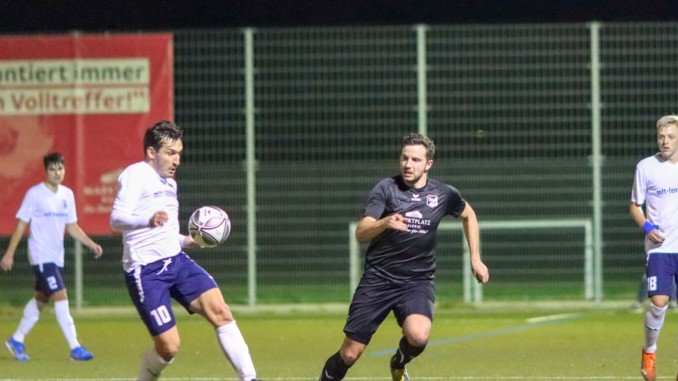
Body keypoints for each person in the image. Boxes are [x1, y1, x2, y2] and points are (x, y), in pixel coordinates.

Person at [318, 133, 490, 381]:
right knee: (350, 354)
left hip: (417, 282)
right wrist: (385, 222)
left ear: (428, 164)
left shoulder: (443, 194)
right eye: (404, 158)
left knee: (419, 336)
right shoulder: (386, 189)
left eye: (416, 160)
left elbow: (469, 215)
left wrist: (476, 258)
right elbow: (361, 233)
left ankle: (399, 361)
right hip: (378, 280)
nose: (408, 165)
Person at [109, 120, 260, 381]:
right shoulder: (135, 175)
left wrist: (186, 241)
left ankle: (250, 378)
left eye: (179, 152)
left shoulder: (170, 184)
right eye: (170, 152)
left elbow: (166, 234)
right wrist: (146, 220)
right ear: (151, 152)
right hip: (146, 271)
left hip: (176, 262)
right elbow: (116, 219)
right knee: (169, 347)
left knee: (221, 312)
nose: (176, 159)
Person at [1, 152, 103, 361]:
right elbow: (21, 224)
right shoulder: (35, 194)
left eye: (60, 169)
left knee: (41, 299)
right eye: (52, 169)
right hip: (40, 255)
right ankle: (75, 347)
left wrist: (90, 243)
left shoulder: (67, 195)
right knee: (61, 296)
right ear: (45, 171)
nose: (57, 173)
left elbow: (71, 226)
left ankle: (16, 340)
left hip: (56, 257)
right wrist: (9, 254)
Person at [632, 115, 678, 381]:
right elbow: (634, 206)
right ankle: (649, 351)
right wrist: (647, 227)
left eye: (671, 136)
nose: (665, 141)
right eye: (661, 136)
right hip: (660, 248)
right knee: (659, 302)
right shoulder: (646, 167)